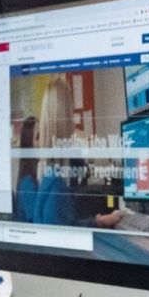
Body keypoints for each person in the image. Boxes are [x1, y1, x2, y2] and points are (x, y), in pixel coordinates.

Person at [18, 75, 122, 229]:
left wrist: (96, 221)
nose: (73, 121)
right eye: (70, 113)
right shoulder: (55, 186)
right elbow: (62, 236)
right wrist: (97, 223)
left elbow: (64, 224)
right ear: (65, 118)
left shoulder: (49, 174)